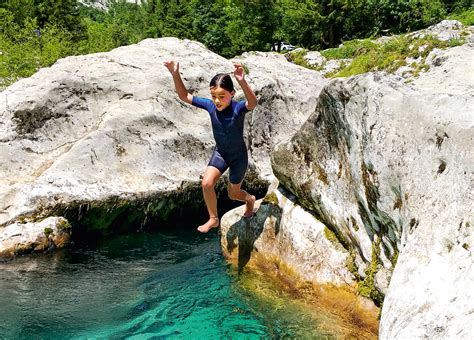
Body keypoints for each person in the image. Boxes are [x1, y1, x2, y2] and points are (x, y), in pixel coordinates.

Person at [164, 60, 258, 233]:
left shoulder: (237, 109)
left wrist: (242, 81)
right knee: (206, 184)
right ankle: (213, 219)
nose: (217, 100)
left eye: (222, 96)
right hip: (221, 153)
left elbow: (252, 103)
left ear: (232, 93)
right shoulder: (210, 106)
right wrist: (175, 73)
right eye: (214, 96)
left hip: (238, 157)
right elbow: (184, 96)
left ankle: (250, 200)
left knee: (233, 194)